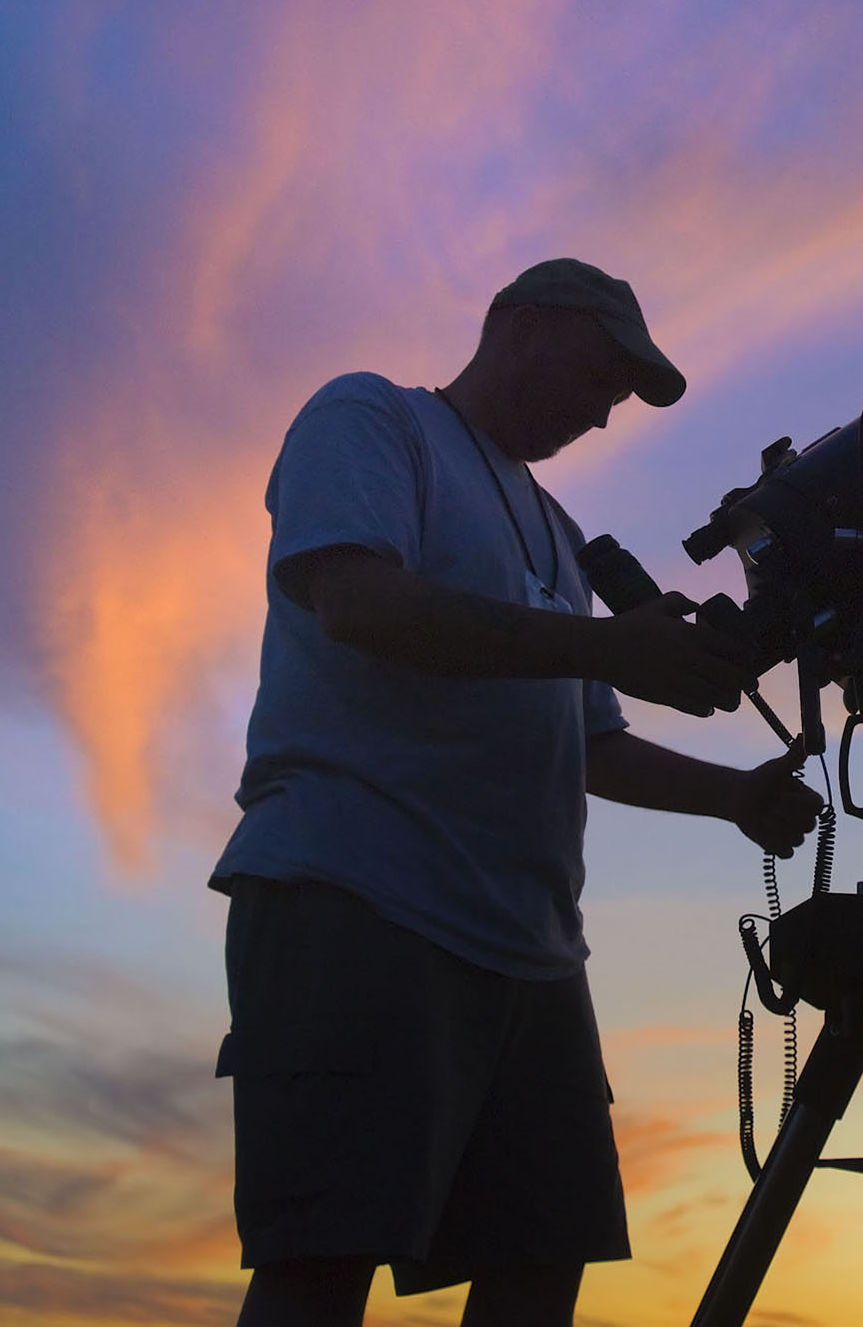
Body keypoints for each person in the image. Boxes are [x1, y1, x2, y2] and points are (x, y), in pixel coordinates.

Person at [208, 258, 824, 1327]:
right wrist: (604, 644)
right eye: (604, 374)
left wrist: (735, 799)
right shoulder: (369, 419)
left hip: (529, 952)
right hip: (358, 895)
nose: (604, 412)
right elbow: (359, 603)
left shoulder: (556, 531)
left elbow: (587, 743)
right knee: (327, 1255)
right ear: (520, 325)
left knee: (542, 1262)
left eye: (623, 396)